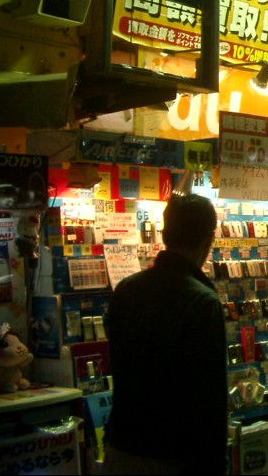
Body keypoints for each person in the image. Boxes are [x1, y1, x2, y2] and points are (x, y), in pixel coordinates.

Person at [103, 194, 226, 475]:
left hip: (121, 448)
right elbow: (207, 397)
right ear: (208, 239)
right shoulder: (202, 302)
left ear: (164, 232)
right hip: (173, 457)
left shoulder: (126, 289)